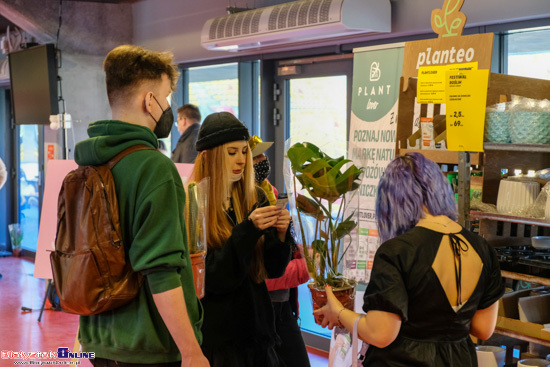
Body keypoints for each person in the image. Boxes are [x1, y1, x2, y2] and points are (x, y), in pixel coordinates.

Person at [74, 45, 208, 367]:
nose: (169, 107)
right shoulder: (154, 168)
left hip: (97, 341)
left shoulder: (86, 165)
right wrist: (191, 352)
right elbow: (161, 272)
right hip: (148, 349)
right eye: (167, 96)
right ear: (150, 101)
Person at [314, 152, 505, 367]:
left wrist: (339, 312)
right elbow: (483, 329)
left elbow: (381, 333)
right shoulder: (483, 249)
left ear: (391, 202)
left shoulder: (396, 251)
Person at [190, 112, 293, 367]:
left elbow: (272, 269)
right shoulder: (194, 204)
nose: (241, 160)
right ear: (208, 155)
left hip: (257, 335)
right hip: (218, 341)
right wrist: (248, 228)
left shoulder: (254, 196)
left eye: (244, 151)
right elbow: (213, 277)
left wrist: (280, 236)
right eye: (232, 152)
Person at [249, 135, 311, 367]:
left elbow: (281, 243)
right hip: (262, 308)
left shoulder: (271, 192)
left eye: (263, 154)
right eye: (256, 156)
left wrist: (298, 250)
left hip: (283, 307)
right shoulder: (242, 202)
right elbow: (260, 271)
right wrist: (306, 266)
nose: (263, 160)